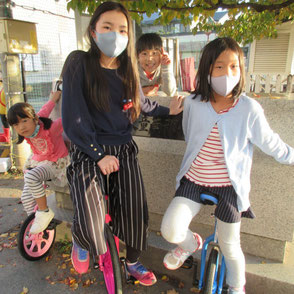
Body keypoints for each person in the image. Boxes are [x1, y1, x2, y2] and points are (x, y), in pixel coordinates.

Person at [62, 1, 183, 287]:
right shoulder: (79, 63)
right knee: (92, 224)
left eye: (122, 29)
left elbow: (141, 102)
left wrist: (170, 110)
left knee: (134, 214)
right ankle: (81, 238)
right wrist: (96, 153)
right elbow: (73, 117)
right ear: (93, 31)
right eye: (107, 27)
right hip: (89, 150)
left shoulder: (128, 67)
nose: (115, 34)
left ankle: (132, 261)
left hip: (123, 150)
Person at [160, 37, 294, 294]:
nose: (227, 73)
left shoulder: (249, 109)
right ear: (207, 69)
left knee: (231, 246)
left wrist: (291, 155)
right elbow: (190, 134)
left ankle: (236, 287)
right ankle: (190, 245)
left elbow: (270, 142)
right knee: (171, 229)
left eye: (234, 67)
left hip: (229, 189)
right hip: (194, 180)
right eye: (219, 67)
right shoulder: (193, 103)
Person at [7, 90, 69, 234]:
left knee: (31, 177)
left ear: (34, 118)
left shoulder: (51, 128)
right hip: (39, 161)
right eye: (16, 124)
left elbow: (68, 119)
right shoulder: (30, 128)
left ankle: (44, 212)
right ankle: (39, 221)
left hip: (56, 163)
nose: (21, 127)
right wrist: (53, 99)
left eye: (24, 121)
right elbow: (46, 109)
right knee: (26, 197)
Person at [136, 33, 177, 97]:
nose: (149, 59)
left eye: (154, 53)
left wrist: (166, 68)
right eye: (144, 54)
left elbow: (170, 92)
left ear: (161, 54)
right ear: (137, 56)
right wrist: (139, 93)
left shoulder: (162, 69)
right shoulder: (132, 70)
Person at [0, 71, 10, 143]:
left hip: (4, 109)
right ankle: (6, 135)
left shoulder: (5, 87)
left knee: (5, 122)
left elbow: (7, 101)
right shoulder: (1, 86)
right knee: (3, 121)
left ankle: (8, 136)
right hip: (1, 109)